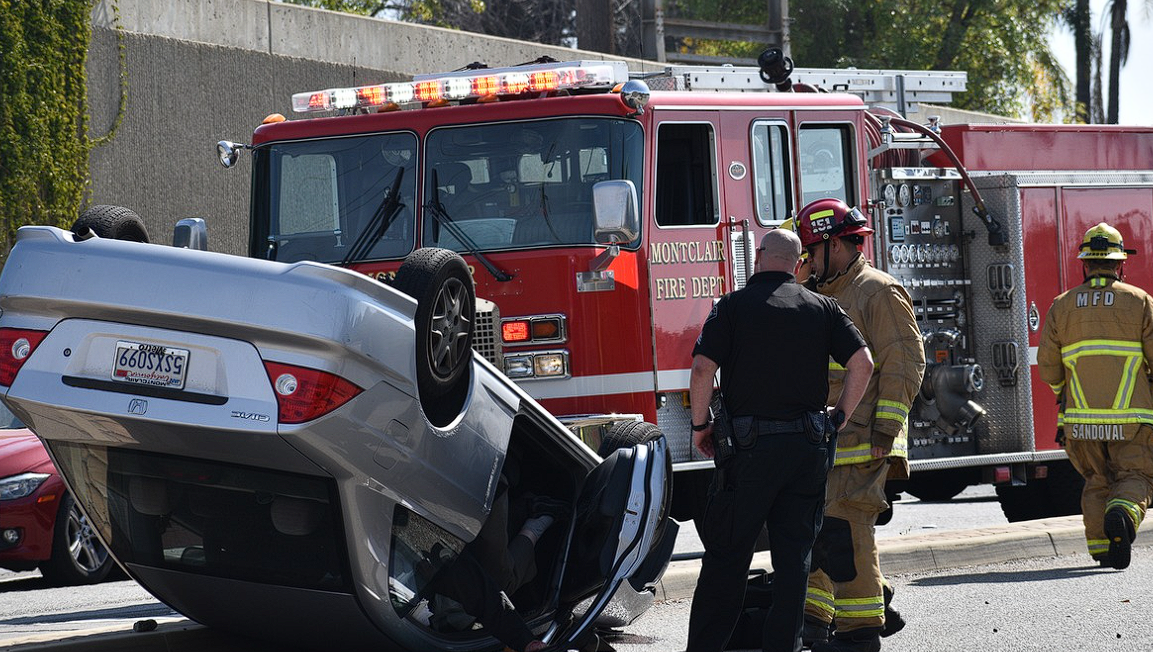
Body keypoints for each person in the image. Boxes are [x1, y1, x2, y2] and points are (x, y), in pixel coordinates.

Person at [686, 227, 874, 652]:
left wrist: (701, 427)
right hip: (806, 452)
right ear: (797, 263)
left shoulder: (732, 307)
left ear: (758, 258)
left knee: (727, 558)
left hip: (749, 455)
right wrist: (839, 416)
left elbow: (702, 369)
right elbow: (863, 361)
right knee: (794, 564)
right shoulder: (823, 307)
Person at [795, 198, 925, 652]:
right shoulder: (819, 291)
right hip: (827, 440)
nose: (806, 259)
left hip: (864, 439)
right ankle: (815, 620)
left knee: (846, 531)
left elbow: (905, 362)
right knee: (820, 529)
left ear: (835, 245)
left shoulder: (877, 291)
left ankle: (860, 633)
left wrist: (885, 432)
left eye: (811, 250)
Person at [1038, 222, 1153, 570]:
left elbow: (1048, 367)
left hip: (1081, 421)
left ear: (1085, 264)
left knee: (1097, 479)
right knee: (1137, 476)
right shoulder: (1140, 302)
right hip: (1132, 419)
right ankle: (1122, 513)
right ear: (1120, 264)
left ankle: (1103, 548)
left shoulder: (1062, 305)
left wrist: (1064, 394)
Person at [430, 475, 568, 652]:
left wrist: (524, 641)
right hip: (471, 487)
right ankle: (527, 512)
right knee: (489, 576)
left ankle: (534, 524)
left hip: (477, 483)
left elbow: (474, 588)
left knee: (500, 581)